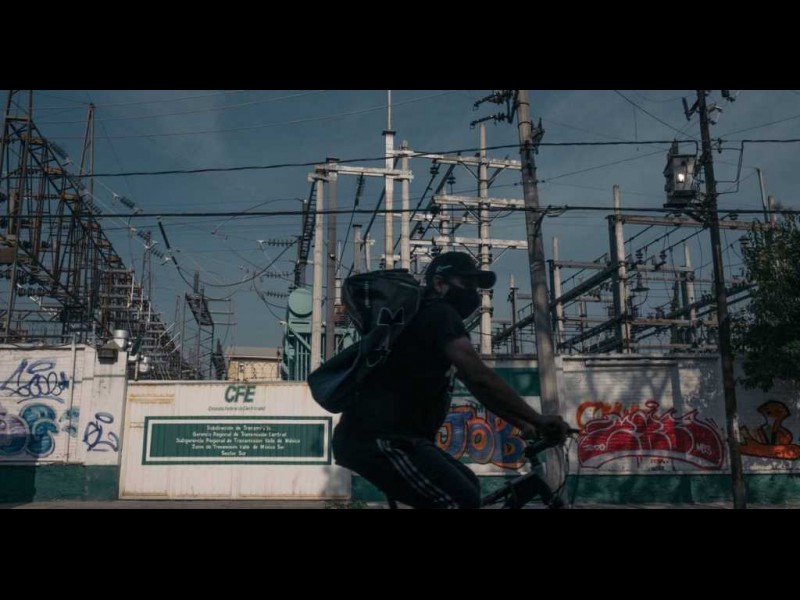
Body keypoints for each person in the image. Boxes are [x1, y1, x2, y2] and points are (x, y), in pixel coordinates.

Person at [331, 251, 571, 509]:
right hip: (381, 440)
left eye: (476, 287)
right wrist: (538, 419)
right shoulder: (439, 314)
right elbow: (479, 377)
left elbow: (479, 387)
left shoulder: (423, 316)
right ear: (439, 283)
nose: (472, 293)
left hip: (394, 439)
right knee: (461, 500)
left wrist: (522, 423)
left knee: (470, 485)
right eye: (466, 283)